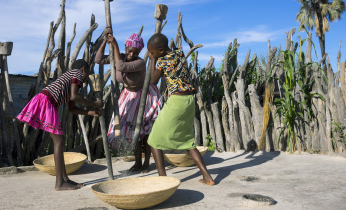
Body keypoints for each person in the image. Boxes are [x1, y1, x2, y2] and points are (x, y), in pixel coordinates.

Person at [17, 59, 102, 190]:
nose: (87, 77)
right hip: (46, 102)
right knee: (59, 141)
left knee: (59, 141)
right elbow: (74, 97)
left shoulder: (70, 80)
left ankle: (65, 179)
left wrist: (90, 112)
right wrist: (94, 103)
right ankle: (59, 183)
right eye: (88, 73)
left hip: (47, 102)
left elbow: (72, 108)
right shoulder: (77, 73)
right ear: (84, 69)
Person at [146, 33, 215, 185]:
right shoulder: (179, 52)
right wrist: (156, 54)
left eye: (152, 52)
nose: (150, 54)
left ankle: (163, 179)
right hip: (189, 100)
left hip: (176, 101)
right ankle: (207, 177)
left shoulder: (163, 61)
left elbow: (153, 80)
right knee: (188, 142)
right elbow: (169, 51)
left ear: (161, 50)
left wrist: (153, 61)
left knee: (153, 140)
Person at [95, 27, 161, 173]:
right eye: (129, 51)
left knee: (144, 132)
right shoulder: (121, 56)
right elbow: (98, 59)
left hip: (144, 96)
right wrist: (106, 41)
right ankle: (137, 163)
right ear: (126, 47)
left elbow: (121, 66)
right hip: (129, 96)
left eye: (135, 52)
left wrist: (115, 46)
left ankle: (146, 163)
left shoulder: (140, 63)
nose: (131, 54)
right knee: (132, 132)